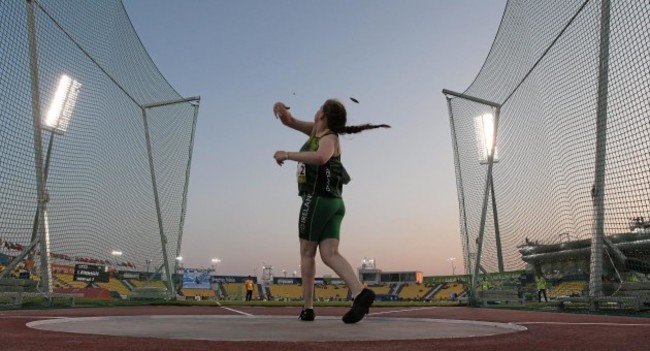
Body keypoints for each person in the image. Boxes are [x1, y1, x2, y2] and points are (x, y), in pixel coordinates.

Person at [272, 99, 390, 324]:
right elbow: (290, 121)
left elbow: (321, 157)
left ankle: (308, 308)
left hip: (317, 201)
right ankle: (360, 292)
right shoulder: (317, 132)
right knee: (329, 254)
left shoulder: (328, 138)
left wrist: (287, 154)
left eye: (318, 108)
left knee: (307, 254)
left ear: (322, 115)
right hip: (335, 204)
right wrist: (281, 109)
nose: (315, 111)